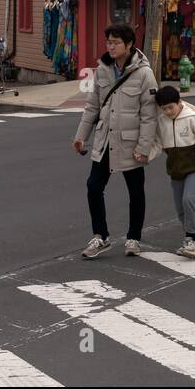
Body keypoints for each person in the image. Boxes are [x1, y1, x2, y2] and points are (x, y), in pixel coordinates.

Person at [73, 24, 158, 259]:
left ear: (129, 44)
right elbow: (92, 105)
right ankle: (100, 236)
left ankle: (133, 238)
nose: (110, 46)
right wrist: (81, 135)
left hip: (131, 143)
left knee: (135, 191)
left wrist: (144, 147)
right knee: (93, 186)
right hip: (105, 139)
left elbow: (150, 116)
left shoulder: (144, 74)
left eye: (115, 42)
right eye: (108, 42)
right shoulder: (103, 70)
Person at [152, 85, 195, 257]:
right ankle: (190, 237)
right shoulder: (161, 121)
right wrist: (145, 156)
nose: (168, 111)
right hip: (175, 170)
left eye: (171, 107)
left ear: (179, 102)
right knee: (180, 208)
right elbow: (157, 144)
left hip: (194, 167)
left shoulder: (193, 119)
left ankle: (191, 238)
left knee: (188, 200)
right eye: (164, 109)